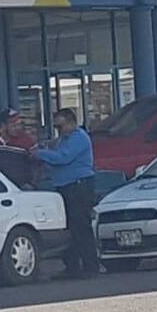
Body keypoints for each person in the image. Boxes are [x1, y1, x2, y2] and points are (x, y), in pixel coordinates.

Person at [33, 108, 99, 279]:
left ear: (70, 122)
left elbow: (63, 158)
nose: (58, 130)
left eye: (60, 126)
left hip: (78, 187)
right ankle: (72, 267)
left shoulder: (78, 138)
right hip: (65, 187)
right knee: (69, 228)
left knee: (81, 226)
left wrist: (40, 154)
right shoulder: (63, 139)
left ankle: (91, 266)